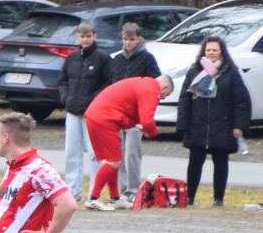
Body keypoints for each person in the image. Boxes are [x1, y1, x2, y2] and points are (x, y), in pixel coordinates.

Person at [176, 36, 252, 207]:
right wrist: (183, 124)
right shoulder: (194, 71)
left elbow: (242, 101)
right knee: (194, 163)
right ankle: (190, 198)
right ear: (204, 51)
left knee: (221, 163)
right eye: (208, 50)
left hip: (223, 126)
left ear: (221, 52)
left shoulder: (231, 72)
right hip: (198, 125)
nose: (211, 53)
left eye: (214, 50)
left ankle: (218, 199)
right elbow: (184, 100)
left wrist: (240, 125)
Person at [81, 73, 175, 208]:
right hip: (105, 118)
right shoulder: (151, 89)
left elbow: (132, 113)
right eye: (166, 95)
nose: (163, 98)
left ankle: (114, 198)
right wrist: (153, 132)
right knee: (114, 161)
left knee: (113, 160)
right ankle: (93, 198)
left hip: (97, 115)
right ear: (165, 88)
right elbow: (147, 121)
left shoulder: (143, 83)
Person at [56, 20, 114, 199]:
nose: (86, 39)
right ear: (78, 37)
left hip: (92, 114)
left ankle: (94, 192)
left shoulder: (103, 58)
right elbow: (63, 80)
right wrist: (65, 98)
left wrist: (94, 103)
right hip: (73, 111)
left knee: (95, 154)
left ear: (95, 36)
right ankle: (73, 190)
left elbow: (108, 84)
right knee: (72, 153)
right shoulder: (72, 57)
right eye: (82, 36)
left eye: (89, 36)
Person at [106, 22, 162, 201]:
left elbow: (153, 85)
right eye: (125, 39)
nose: (128, 43)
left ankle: (132, 190)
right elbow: (111, 85)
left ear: (139, 39)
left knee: (132, 154)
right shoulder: (117, 60)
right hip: (117, 114)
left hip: (135, 115)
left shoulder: (147, 59)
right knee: (118, 154)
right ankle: (122, 189)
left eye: (131, 39)